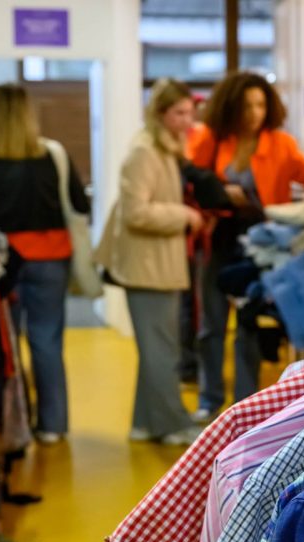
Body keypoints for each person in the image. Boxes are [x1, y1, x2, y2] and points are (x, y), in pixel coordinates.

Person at [188, 71, 304, 422]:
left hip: (261, 244)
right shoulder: (212, 141)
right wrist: (218, 192)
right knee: (212, 324)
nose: (254, 113)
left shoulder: (279, 144)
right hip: (218, 239)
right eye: (247, 105)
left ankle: (243, 406)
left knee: (249, 321)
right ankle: (209, 398)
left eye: (260, 105)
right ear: (231, 107)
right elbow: (191, 183)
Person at [0, 84, 90, 445]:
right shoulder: (52, 156)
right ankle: (53, 425)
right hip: (51, 259)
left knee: (5, 346)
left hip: (1, 266)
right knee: (47, 341)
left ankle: (11, 426)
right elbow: (79, 204)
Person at [94, 79, 206, 446]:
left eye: (190, 112)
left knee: (157, 347)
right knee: (162, 349)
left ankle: (144, 422)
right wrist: (184, 215)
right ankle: (170, 423)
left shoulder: (165, 149)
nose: (187, 120)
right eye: (179, 113)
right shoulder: (144, 152)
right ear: (160, 114)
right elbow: (136, 213)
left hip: (158, 263)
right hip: (147, 266)